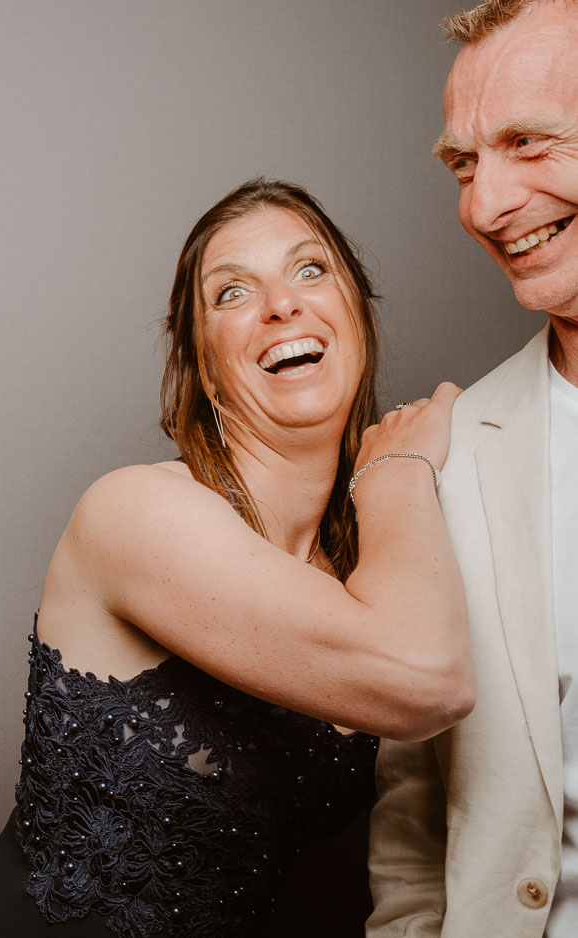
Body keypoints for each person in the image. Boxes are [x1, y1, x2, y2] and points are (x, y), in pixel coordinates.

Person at [0, 178, 473, 937]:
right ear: (206, 367)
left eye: (310, 270)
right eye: (231, 293)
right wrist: (396, 469)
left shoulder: (365, 576)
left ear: (357, 315)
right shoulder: (138, 512)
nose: (282, 304)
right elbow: (429, 678)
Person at [367, 2, 578, 934]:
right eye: (464, 162)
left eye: (528, 141)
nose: (483, 206)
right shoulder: (449, 456)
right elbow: (413, 804)